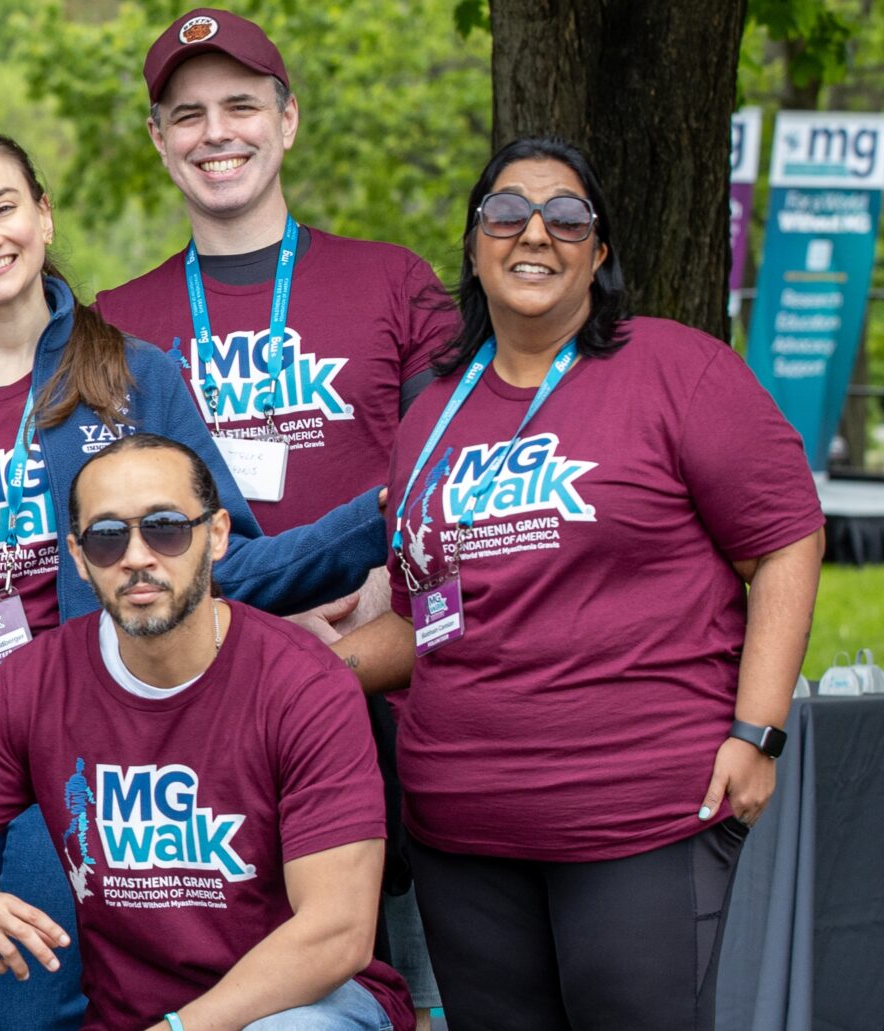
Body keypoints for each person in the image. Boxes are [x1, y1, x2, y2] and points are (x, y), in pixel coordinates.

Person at [0, 127, 383, 1031]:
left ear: (44, 214)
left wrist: (378, 516)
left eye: (3, 207)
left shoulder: (134, 375)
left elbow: (223, 557)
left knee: (39, 969)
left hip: (78, 689)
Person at [347, 137, 823, 1029]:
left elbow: (786, 539)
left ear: (598, 254)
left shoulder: (677, 370)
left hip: (637, 813)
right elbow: (431, 622)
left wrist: (758, 732)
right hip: (462, 827)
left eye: (567, 216)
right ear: (475, 244)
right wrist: (300, 670)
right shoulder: (432, 415)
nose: (536, 232)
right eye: (506, 213)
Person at [91, 9, 462, 1008]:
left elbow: (457, 461)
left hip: (391, 684)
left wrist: (387, 590)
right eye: (187, 114)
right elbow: (110, 521)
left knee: (421, 983)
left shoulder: (391, 281)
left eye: (241, 106)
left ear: (287, 121)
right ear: (159, 141)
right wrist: (241, 624)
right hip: (202, 708)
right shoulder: (115, 321)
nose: (217, 132)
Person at [0, 432, 412, 1031]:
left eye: (164, 528)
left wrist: (181, 1029)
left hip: (304, 1007)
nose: (137, 556)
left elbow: (336, 936)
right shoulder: (37, 682)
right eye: (108, 537)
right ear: (78, 558)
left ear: (215, 536)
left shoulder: (303, 685)